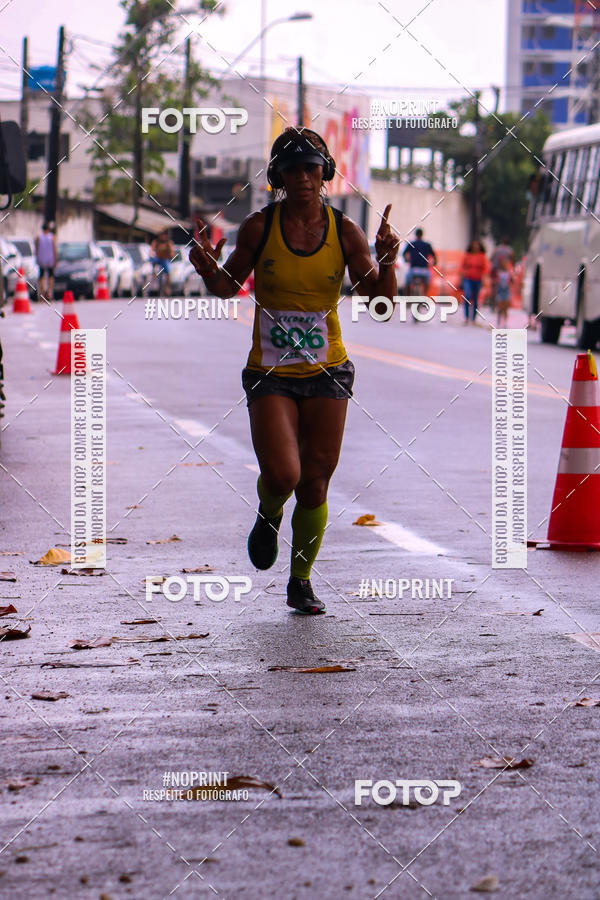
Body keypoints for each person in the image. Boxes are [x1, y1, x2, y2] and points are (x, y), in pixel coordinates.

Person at [189, 127, 399, 615]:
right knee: (283, 474)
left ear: (324, 174)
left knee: (315, 482)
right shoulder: (260, 228)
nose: (302, 177)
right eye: (291, 168)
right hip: (272, 373)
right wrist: (206, 268)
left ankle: (300, 580)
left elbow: (381, 302)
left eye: (310, 167)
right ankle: (268, 513)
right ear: (277, 177)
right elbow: (228, 286)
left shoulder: (345, 231)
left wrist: (388, 261)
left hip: (328, 371)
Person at [461, 239, 488, 324]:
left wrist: (484, 279)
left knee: (475, 299)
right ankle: (466, 317)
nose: (475, 247)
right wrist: (460, 278)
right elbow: (462, 267)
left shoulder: (482, 257)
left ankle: (473, 318)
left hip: (478, 280)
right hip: (467, 278)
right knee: (467, 296)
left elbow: (485, 269)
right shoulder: (467, 256)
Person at [402, 228, 437, 293]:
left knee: (407, 283)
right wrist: (434, 263)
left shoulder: (412, 243)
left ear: (416, 235)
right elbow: (434, 255)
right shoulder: (427, 245)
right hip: (424, 270)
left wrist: (406, 260)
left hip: (413, 270)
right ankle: (424, 296)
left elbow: (404, 253)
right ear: (422, 235)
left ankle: (408, 298)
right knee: (427, 283)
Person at [490, 237, 515, 311]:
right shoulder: (510, 250)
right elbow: (513, 259)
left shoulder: (497, 249)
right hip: (505, 271)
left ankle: (493, 304)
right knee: (504, 288)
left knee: (494, 288)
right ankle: (502, 306)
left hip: (495, 270)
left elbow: (491, 258)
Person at [35, 221, 57, 301]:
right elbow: (54, 249)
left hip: (41, 259)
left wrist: (37, 258)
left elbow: (36, 249)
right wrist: (56, 259)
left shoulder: (39, 237)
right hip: (50, 259)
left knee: (42, 275)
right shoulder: (52, 237)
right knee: (51, 275)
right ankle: (50, 292)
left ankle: (43, 291)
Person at [150, 229, 175, 296]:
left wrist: (171, 255)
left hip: (165, 260)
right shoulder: (156, 242)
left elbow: (172, 251)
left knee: (168, 272)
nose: (162, 236)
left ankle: (167, 287)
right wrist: (152, 254)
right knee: (153, 261)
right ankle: (154, 274)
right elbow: (152, 250)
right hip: (158, 259)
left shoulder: (168, 243)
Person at [495, 256, 513, 328]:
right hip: (500, 291)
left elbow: (512, 281)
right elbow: (495, 281)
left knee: (505, 308)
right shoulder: (498, 272)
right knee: (500, 308)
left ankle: (505, 322)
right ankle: (499, 322)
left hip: (506, 291)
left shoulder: (509, 272)